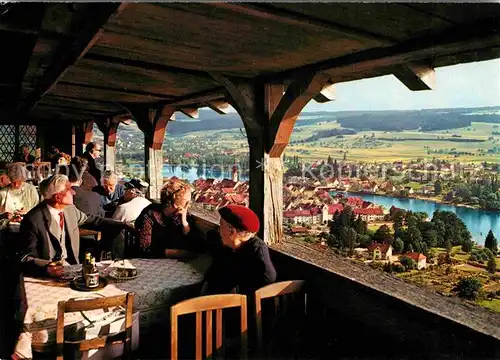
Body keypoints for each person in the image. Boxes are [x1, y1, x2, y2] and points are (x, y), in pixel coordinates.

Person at [19, 174, 130, 277]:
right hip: (47, 275)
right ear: (57, 197)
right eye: (69, 189)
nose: (74, 192)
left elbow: (91, 220)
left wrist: (123, 225)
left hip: (73, 268)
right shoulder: (33, 219)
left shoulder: (70, 209)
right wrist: (46, 268)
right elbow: (26, 258)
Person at [202, 205, 277, 295]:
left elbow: (267, 282)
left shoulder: (256, 253)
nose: (218, 231)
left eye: (221, 226)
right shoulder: (228, 246)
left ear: (232, 232)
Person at [135, 178, 202, 258]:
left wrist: (185, 224)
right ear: (175, 205)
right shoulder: (150, 214)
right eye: (187, 202)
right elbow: (144, 248)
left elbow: (198, 247)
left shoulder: (183, 215)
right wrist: (176, 253)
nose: (189, 205)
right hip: (152, 261)